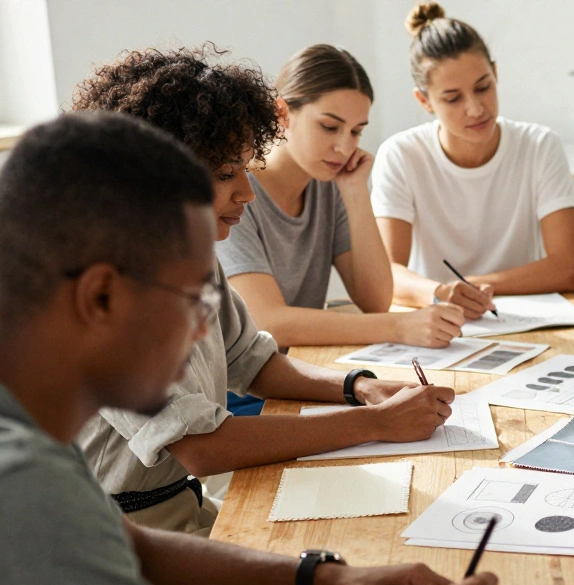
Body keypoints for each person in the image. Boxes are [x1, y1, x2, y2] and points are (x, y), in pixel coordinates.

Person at [0, 111, 504, 585]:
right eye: (193, 297)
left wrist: (328, 579)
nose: (204, 327)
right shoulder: (19, 486)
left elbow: (136, 552)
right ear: (101, 297)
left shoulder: (30, 429)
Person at [73, 46, 455, 534]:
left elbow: (253, 360)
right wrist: (376, 424)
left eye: (246, 171)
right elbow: (201, 447)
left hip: (176, 506)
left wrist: (359, 387)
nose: (248, 194)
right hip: (114, 529)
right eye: (227, 174)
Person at [219, 44, 466, 354]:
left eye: (356, 131)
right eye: (329, 127)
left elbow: (375, 299)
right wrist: (401, 327)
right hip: (240, 394)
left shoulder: (327, 183)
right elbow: (269, 323)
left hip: (293, 370)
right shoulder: (235, 192)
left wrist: (355, 190)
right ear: (281, 113)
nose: (344, 147)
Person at [372, 2, 574, 318]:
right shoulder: (401, 155)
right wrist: (440, 293)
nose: (475, 108)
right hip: (437, 320)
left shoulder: (539, 146)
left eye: (483, 87)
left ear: (496, 73)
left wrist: (471, 286)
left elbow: (568, 268)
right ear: (424, 101)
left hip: (523, 321)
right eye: (453, 98)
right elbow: (386, 273)